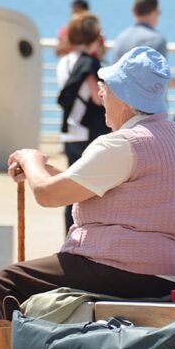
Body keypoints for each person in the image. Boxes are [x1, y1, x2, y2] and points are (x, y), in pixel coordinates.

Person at [0, 47, 175, 319]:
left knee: (10, 281)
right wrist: (42, 169)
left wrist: (30, 158)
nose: (102, 93)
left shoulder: (125, 143)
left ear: (125, 98)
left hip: (130, 267)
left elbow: (48, 195)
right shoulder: (172, 135)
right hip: (174, 272)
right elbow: (90, 182)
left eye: (107, 86)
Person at [56, 12, 110, 232]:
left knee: (71, 187)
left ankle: (68, 237)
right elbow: (98, 96)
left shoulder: (64, 61)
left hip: (70, 131)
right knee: (89, 190)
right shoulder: (89, 63)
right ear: (95, 37)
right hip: (88, 133)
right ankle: (82, 236)